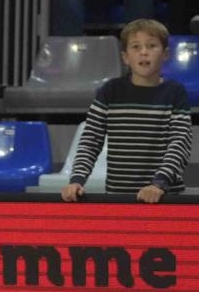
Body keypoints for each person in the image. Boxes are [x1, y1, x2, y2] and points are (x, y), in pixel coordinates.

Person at [62, 19, 192, 203]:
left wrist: (159, 184)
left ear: (165, 54)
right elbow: (91, 140)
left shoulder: (175, 93)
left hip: (164, 198)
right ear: (125, 57)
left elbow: (180, 143)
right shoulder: (110, 91)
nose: (144, 52)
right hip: (118, 198)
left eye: (152, 46)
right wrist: (76, 180)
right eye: (136, 47)